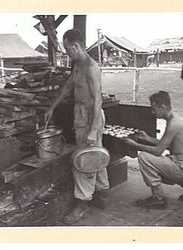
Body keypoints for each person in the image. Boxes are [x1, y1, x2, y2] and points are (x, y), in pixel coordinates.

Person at [44, 29, 109, 225]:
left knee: (84, 160)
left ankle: (82, 203)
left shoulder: (91, 67)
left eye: (67, 48)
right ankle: (102, 193)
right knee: (95, 153)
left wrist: (92, 129)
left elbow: (98, 100)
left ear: (76, 46)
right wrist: (51, 108)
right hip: (81, 113)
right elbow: (67, 87)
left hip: (91, 115)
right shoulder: (78, 66)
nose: (66, 52)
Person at [124, 91, 183, 209]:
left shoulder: (174, 124)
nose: (152, 113)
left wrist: (135, 145)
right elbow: (167, 145)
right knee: (157, 162)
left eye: (154, 109)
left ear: (162, 107)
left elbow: (158, 151)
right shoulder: (175, 119)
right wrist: (147, 138)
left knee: (144, 157)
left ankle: (158, 199)